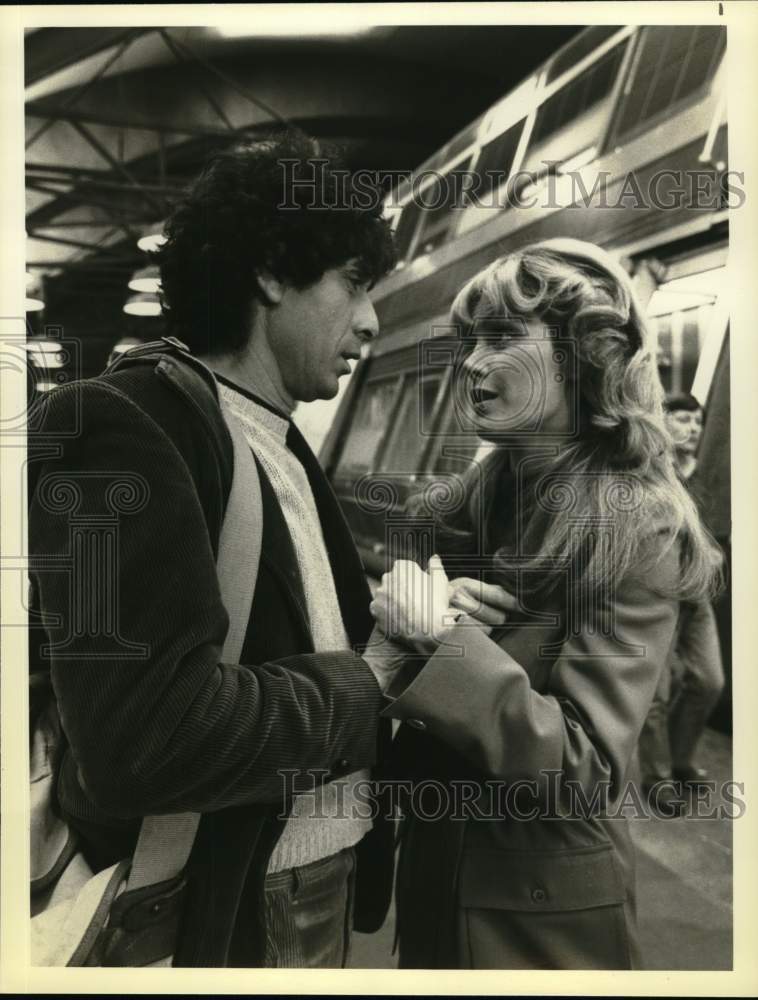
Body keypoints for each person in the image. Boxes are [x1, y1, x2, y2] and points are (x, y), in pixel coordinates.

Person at [27, 130, 401, 967]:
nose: (372, 321)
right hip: (222, 908)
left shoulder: (280, 443)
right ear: (272, 271)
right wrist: (368, 678)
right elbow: (142, 739)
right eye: (355, 283)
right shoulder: (115, 427)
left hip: (312, 887)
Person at [369, 239, 723, 969]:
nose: (470, 363)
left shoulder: (635, 518)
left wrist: (440, 639)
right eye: (471, 340)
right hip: (439, 883)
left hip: (535, 924)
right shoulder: (478, 495)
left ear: (583, 356)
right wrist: (411, 632)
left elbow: (587, 770)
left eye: (501, 337)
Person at [638, 393, 725, 813]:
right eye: (684, 419)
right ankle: (658, 778)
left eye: (697, 421)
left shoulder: (704, 472)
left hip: (698, 590)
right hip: (658, 590)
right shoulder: (650, 472)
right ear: (663, 421)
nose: (693, 427)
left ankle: (681, 760)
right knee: (656, 691)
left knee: (709, 681)